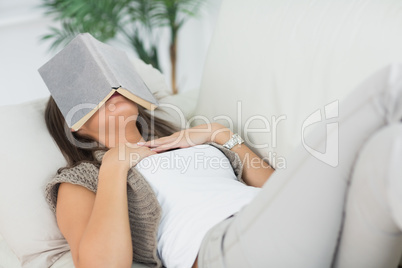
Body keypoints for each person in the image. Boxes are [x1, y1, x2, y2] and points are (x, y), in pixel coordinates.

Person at [44, 63, 402, 268]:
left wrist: (220, 135)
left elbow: (276, 190)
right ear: (74, 123)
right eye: (89, 90)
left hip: (282, 227)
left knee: (387, 151)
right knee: (387, 92)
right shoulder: (81, 179)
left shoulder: (189, 139)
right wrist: (115, 167)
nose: (109, 90)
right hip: (225, 249)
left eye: (110, 81)